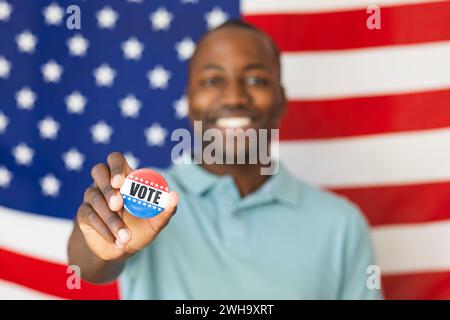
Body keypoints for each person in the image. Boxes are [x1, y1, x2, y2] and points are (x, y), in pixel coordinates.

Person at [67, 20, 382, 299]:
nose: (234, 98)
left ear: (282, 101)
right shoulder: (142, 200)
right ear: (189, 101)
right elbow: (87, 266)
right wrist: (103, 247)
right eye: (213, 81)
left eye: (256, 80)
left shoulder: (341, 224)